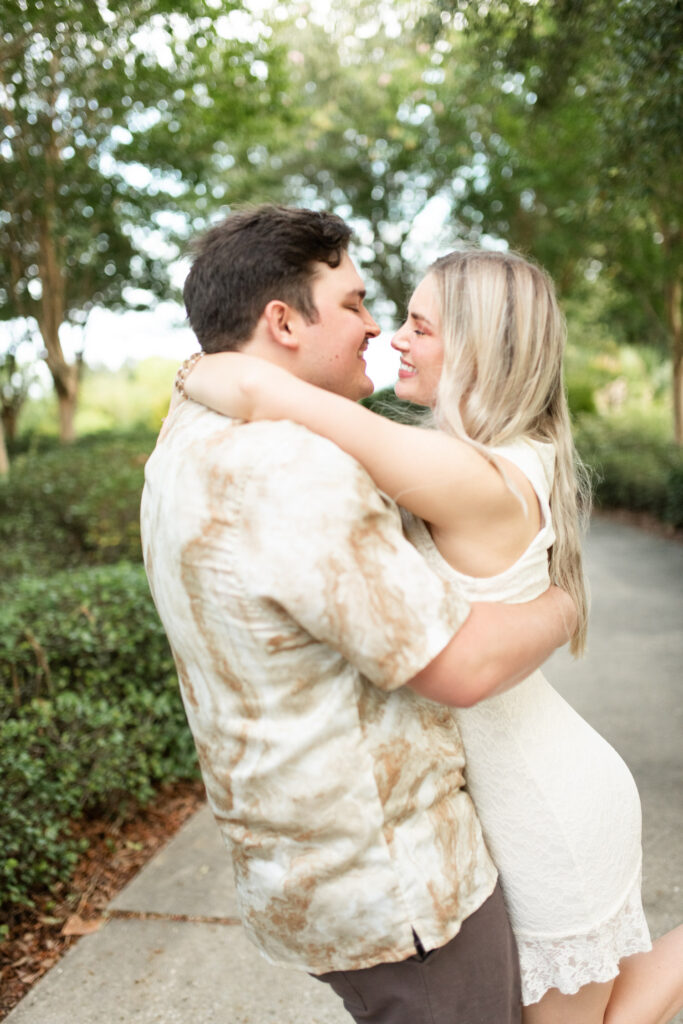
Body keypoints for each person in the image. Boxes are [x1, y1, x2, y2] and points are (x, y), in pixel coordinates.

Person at [180, 244, 683, 1024]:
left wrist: (203, 373)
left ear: (480, 347)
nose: (392, 339)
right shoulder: (496, 455)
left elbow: (268, 395)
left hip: (543, 807)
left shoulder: (468, 474)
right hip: (520, 793)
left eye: (420, 327)